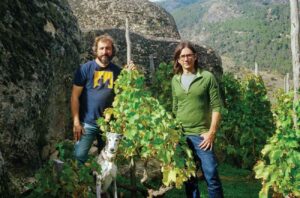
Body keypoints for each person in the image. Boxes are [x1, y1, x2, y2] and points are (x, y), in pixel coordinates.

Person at [171, 41, 224, 198]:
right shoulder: (175, 80)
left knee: (211, 174)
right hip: (181, 136)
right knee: (189, 177)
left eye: (189, 55)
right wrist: (174, 133)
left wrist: (211, 132)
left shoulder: (207, 77)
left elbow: (217, 106)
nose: (186, 59)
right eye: (182, 56)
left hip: (202, 135)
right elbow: (175, 107)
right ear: (178, 60)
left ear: (195, 57)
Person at [71, 34, 132, 164]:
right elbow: (75, 96)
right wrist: (76, 122)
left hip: (110, 126)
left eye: (108, 48)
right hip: (87, 123)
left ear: (112, 51)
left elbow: (128, 94)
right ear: (96, 50)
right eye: (102, 48)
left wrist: (131, 76)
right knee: (78, 157)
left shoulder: (118, 72)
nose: (105, 51)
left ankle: (102, 184)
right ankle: (79, 184)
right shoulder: (85, 69)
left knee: (107, 161)